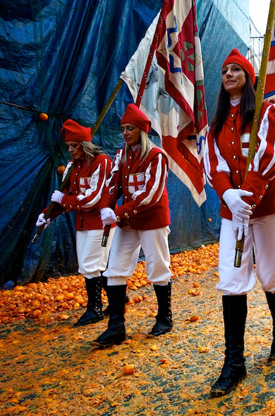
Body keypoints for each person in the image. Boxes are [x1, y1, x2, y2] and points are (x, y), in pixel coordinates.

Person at [204, 49, 275, 397]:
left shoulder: (267, 110)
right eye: (224, 70)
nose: (228, 74)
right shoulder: (217, 121)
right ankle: (234, 363)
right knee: (231, 277)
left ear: (249, 74)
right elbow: (214, 161)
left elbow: (272, 151)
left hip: (268, 206)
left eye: (235, 69)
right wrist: (228, 195)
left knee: (273, 275)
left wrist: (249, 195)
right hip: (233, 212)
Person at [91, 104, 173, 347]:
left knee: (157, 265)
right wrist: (106, 207)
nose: (125, 133)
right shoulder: (121, 155)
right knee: (114, 268)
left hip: (151, 220)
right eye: (123, 129)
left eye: (130, 129)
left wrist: (116, 213)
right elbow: (112, 183)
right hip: (127, 221)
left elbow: (151, 194)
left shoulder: (156, 156)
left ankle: (165, 317)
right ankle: (116, 327)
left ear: (142, 131)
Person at [36, 119, 115, 327]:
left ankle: (94, 309)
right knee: (91, 266)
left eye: (74, 145)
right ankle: (118, 299)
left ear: (85, 144)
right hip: (81, 222)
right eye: (68, 146)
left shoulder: (102, 161)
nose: (70, 150)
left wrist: (64, 200)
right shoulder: (72, 165)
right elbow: (64, 194)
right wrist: (48, 215)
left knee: (92, 265)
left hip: (101, 222)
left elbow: (93, 198)